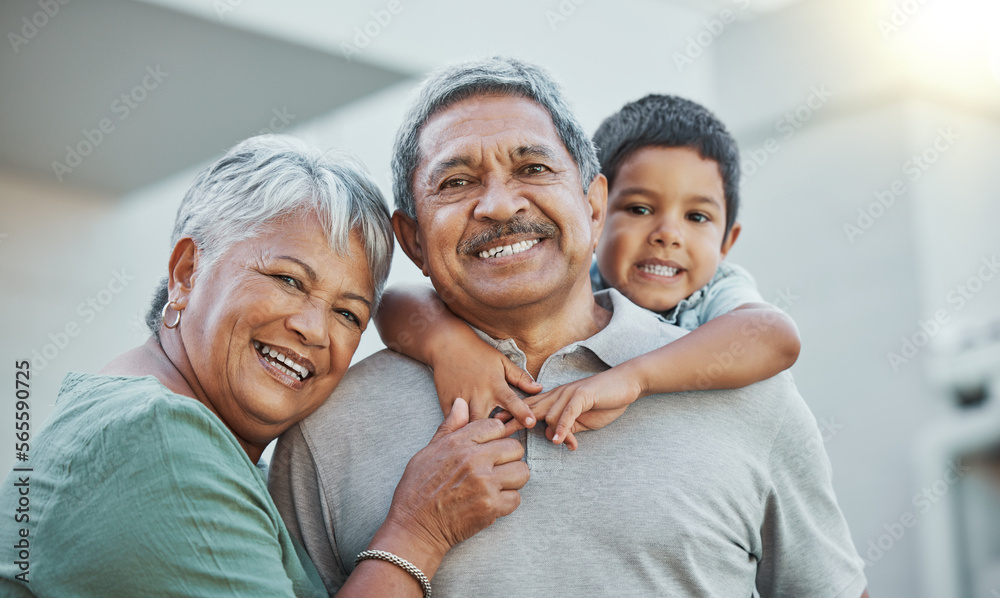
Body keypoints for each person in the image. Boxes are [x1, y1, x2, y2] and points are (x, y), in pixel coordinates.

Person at [270, 57, 869, 596]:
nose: (501, 206)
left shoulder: (745, 391)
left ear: (592, 202)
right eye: (456, 182)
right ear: (413, 241)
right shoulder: (325, 430)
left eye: (532, 167)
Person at [0, 136, 529, 597]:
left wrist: (443, 341)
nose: (315, 330)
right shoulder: (157, 438)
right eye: (288, 280)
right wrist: (420, 530)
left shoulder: (172, 430)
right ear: (186, 273)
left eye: (348, 313)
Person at [374, 94, 802, 450]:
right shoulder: (572, 277)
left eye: (697, 217)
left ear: (728, 242)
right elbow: (392, 302)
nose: (668, 235)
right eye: (639, 209)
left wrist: (634, 377)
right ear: (596, 213)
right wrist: (448, 346)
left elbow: (775, 334)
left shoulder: (714, 294)